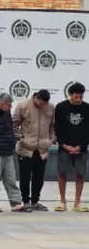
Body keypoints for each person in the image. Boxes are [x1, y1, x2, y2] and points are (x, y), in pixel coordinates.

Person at [13, 89, 55, 211]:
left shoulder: (50, 107)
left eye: (45, 103)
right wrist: (21, 139)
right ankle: (26, 201)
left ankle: (35, 201)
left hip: (42, 149)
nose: (42, 105)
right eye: (40, 102)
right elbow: (14, 124)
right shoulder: (23, 105)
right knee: (25, 176)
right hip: (26, 148)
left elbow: (53, 125)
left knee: (39, 176)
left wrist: (51, 140)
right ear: (36, 97)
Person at [54, 82, 89, 212]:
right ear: (70, 95)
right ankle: (62, 201)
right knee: (62, 173)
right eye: (76, 97)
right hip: (65, 147)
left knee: (80, 174)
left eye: (81, 97)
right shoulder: (61, 107)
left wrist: (82, 146)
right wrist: (64, 145)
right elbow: (57, 128)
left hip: (81, 148)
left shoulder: (87, 108)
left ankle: (77, 202)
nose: (78, 99)